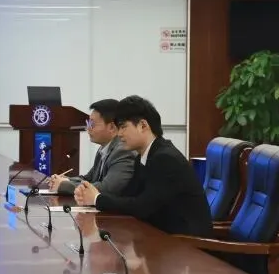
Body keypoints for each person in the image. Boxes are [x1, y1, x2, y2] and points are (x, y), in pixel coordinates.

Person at [75, 95, 211, 237]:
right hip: (161, 234)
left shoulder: (165, 158)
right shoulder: (143, 156)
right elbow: (128, 195)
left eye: (123, 127)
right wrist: (91, 195)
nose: (119, 134)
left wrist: (97, 199)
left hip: (185, 242)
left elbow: (143, 207)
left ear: (143, 126)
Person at [49, 99, 135, 197]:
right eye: (88, 123)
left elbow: (107, 188)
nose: (88, 128)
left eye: (92, 124)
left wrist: (63, 185)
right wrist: (65, 180)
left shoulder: (123, 151)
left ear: (111, 127)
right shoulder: (103, 149)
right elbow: (88, 179)